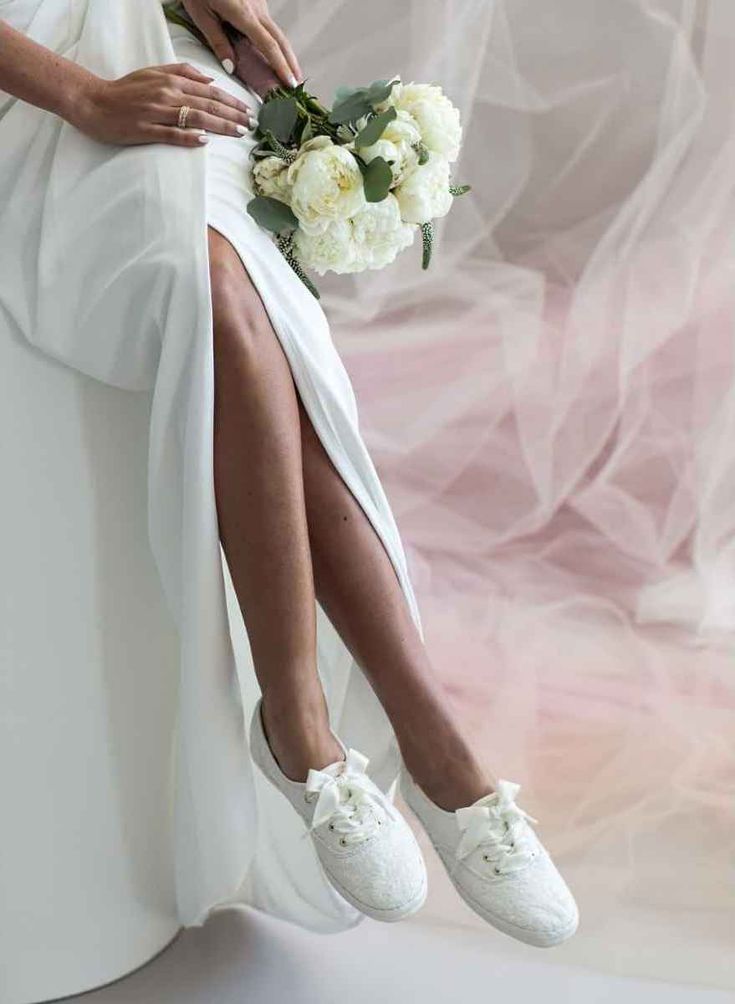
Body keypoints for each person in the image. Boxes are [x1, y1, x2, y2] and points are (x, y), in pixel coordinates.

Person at [0, 0, 578, 946]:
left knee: (254, 300)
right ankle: (339, 735)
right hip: (36, 93)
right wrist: (82, 94)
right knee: (212, 289)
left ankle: (401, 739)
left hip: (150, 53)